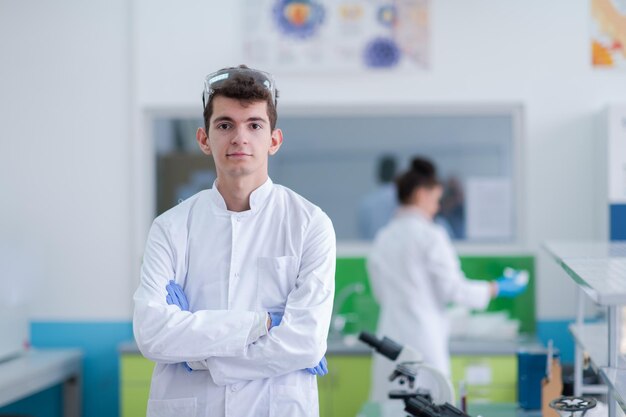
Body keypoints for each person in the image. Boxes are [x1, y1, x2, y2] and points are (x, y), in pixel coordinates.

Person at [133, 65, 336, 417]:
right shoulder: (170, 229)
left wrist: (200, 357)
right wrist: (264, 323)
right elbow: (151, 334)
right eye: (225, 125)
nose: (240, 138)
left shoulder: (309, 224)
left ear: (274, 140)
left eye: (254, 125)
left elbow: (305, 342)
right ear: (204, 139)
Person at [366, 156, 527, 402]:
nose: (438, 207)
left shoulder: (383, 238)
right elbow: (454, 290)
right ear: (421, 195)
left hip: (391, 346)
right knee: (431, 407)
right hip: (423, 346)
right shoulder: (431, 235)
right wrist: (497, 288)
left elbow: (380, 295)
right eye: (436, 199)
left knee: (395, 410)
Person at [357, 154, 398, 240]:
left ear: (378, 174)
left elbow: (363, 234)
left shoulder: (367, 202)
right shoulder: (403, 202)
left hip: (372, 249)